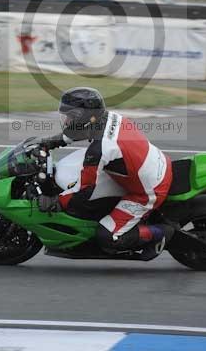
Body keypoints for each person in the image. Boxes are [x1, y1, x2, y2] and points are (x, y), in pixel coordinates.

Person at [33, 86, 174, 259]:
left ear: (84, 118)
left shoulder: (100, 148)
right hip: (145, 167)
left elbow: (84, 190)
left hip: (148, 190)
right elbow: (80, 130)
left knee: (107, 236)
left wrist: (56, 201)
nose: (66, 121)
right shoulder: (107, 119)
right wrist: (51, 142)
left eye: (70, 117)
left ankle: (162, 231)